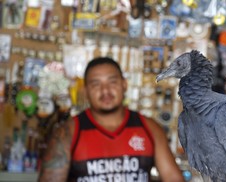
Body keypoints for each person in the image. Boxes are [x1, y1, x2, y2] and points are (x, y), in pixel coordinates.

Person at [38, 57, 184, 182]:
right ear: (86, 91)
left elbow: (173, 178)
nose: (105, 91)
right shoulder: (67, 133)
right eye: (96, 84)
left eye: (112, 82)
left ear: (124, 85)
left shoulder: (150, 128)